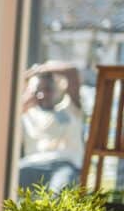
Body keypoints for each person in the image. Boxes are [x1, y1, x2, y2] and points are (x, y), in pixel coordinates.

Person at [19, 61, 85, 190]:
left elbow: (72, 72)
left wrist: (38, 70)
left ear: (57, 90)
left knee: (60, 189)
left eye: (48, 89)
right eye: (39, 91)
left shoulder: (70, 109)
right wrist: (27, 95)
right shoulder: (27, 115)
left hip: (64, 165)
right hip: (32, 164)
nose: (43, 95)